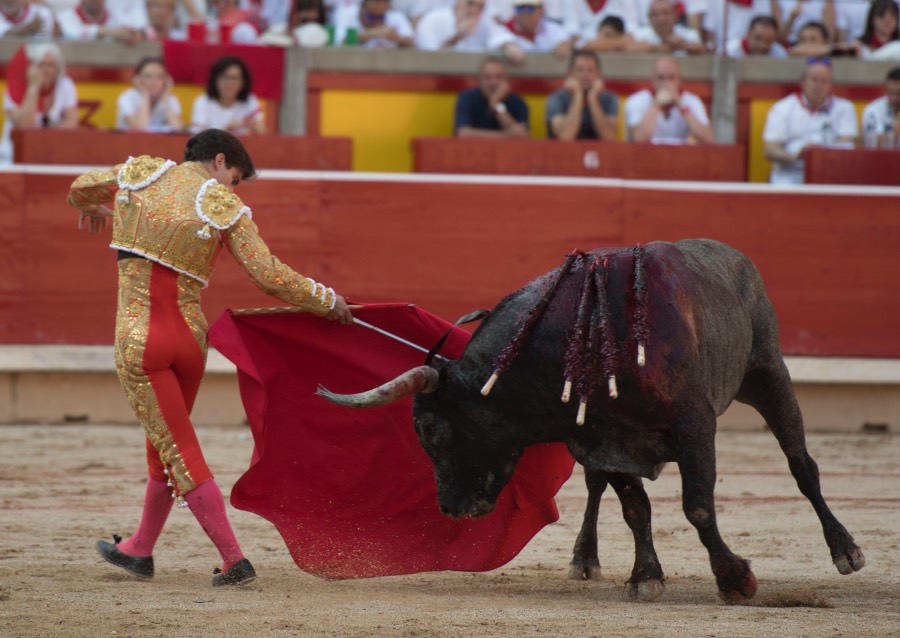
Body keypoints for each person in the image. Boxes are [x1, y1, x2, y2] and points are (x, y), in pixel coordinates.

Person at [66, 128, 353, 587]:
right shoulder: (222, 207)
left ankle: (235, 559)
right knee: (166, 443)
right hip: (190, 345)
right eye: (234, 178)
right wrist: (325, 298)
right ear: (219, 161)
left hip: (143, 342)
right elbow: (268, 275)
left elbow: (81, 186)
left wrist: (91, 209)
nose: (230, 189)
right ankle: (140, 549)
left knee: (178, 449)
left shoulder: (140, 175)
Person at [762, 57, 858, 184]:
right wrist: (795, 157)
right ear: (802, 81)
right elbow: (770, 150)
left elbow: (847, 143)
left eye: (824, 81)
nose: (818, 85)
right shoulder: (782, 108)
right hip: (791, 173)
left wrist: (821, 154)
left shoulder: (845, 108)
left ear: (831, 84)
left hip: (831, 174)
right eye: (814, 80)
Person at [0, 43, 78, 165]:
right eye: (41, 64)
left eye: (51, 65)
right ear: (32, 66)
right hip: (11, 157)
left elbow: (71, 123)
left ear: (58, 68)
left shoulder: (65, 84)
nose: (46, 70)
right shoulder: (13, 88)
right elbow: (26, 125)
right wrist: (33, 88)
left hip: (46, 155)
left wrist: (42, 137)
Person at [624, 56, 713, 144]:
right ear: (653, 79)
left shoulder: (692, 101)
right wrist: (657, 104)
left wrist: (680, 104)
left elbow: (708, 139)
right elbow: (638, 138)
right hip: (646, 155)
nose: (666, 83)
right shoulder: (636, 100)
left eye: (671, 78)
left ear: (679, 79)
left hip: (680, 155)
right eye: (661, 78)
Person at [545, 49, 617, 141]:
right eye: (579, 70)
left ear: (599, 74)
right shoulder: (556, 99)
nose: (585, 75)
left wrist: (593, 98)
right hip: (562, 154)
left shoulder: (609, 99)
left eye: (590, 70)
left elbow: (608, 138)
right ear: (570, 73)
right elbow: (565, 137)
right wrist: (578, 96)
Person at [454, 55, 529, 138]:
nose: (493, 82)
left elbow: (522, 136)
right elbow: (463, 134)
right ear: (479, 79)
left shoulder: (517, 102)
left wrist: (496, 104)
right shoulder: (467, 98)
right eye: (487, 77)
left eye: (498, 77)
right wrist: (506, 135)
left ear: (506, 79)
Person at [191, 56, 266, 135]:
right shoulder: (203, 101)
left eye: (234, 78)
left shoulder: (250, 100)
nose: (229, 83)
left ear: (243, 82)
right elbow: (198, 138)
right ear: (215, 79)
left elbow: (265, 137)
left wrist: (258, 128)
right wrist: (225, 129)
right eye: (224, 77)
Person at [415, 0, 514, 52]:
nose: (475, 10)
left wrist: (510, 45)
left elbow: (500, 36)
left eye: (480, 6)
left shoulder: (483, 21)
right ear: (457, 2)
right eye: (470, 3)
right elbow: (428, 58)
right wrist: (456, 38)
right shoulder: (432, 20)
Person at [116, 57, 183, 132]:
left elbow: (178, 129)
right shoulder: (127, 98)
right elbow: (140, 128)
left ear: (166, 80)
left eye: (159, 76)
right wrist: (145, 95)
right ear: (137, 79)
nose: (154, 81)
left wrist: (166, 97)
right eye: (148, 76)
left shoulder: (170, 99)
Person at [495, 0, 573, 63]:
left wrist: (566, 44)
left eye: (530, 8)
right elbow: (496, 38)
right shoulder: (505, 29)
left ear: (541, 10)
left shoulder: (552, 28)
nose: (525, 13)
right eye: (520, 8)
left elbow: (565, 40)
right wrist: (508, 45)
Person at [696, 0, 778, 53]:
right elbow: (709, 34)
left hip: (762, 53)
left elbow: (768, 29)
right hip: (726, 54)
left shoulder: (777, 52)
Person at [630, 0, 705, 55]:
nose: (661, 19)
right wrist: (660, 48)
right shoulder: (638, 35)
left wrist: (682, 44)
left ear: (675, 15)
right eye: (655, 14)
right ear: (649, 18)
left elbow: (701, 50)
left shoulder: (689, 34)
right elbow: (628, 49)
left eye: (665, 13)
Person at [333, 0, 415, 48]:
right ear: (365, 2)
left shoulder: (397, 17)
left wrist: (398, 39)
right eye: (376, 1)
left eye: (384, 1)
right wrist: (373, 33)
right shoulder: (346, 13)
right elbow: (341, 42)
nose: (381, 5)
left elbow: (411, 43)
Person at [57, 0, 146, 44]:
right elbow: (72, 33)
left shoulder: (115, 16)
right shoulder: (66, 16)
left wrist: (133, 35)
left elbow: (132, 28)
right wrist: (108, 31)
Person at [860, 66, 900, 148]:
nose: (894, 98)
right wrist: (895, 133)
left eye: (899, 93)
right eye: (891, 92)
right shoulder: (872, 110)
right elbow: (872, 147)